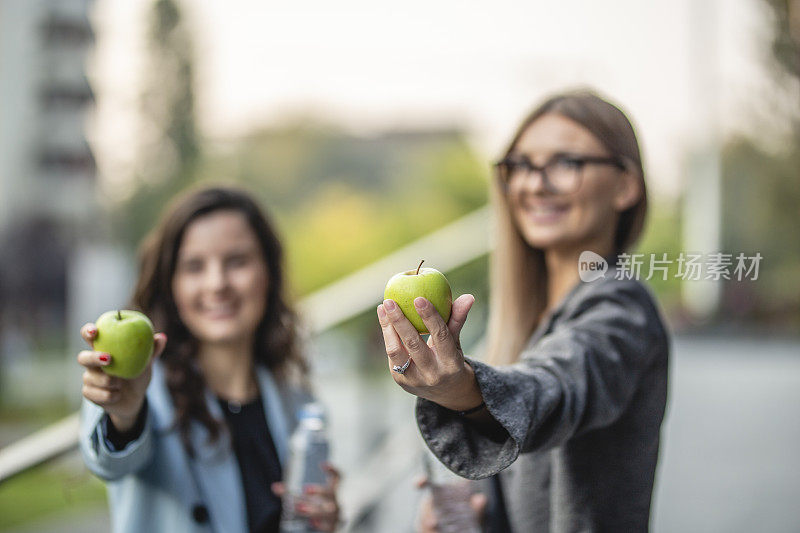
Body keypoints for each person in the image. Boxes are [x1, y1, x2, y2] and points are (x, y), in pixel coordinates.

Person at [377, 89, 670, 532]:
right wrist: (478, 511)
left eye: (566, 163)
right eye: (520, 165)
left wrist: (466, 391)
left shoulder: (621, 306)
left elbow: (557, 387)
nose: (534, 184)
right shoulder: (521, 319)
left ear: (626, 186)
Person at [78, 186, 340, 533]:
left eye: (237, 261)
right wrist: (124, 414)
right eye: (194, 266)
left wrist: (324, 520)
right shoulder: (138, 385)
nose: (217, 283)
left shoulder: (298, 401)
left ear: (269, 274)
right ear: (171, 285)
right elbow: (110, 461)